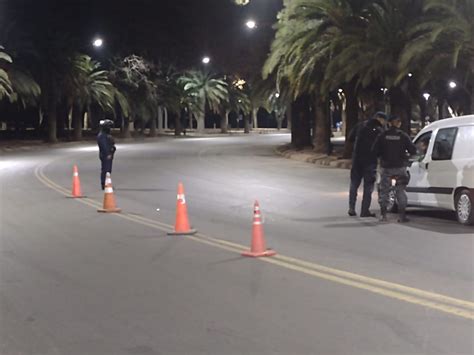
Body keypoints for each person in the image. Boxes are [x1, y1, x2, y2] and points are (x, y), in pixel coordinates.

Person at [372, 115, 417, 222]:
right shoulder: (403, 136)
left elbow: (374, 150)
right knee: (400, 191)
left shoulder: (382, 135)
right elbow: (413, 150)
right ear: (399, 123)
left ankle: (383, 215)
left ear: (389, 123)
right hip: (400, 167)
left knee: (384, 191)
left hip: (386, 167)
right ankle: (402, 216)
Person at [347, 112, 387, 217]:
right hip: (370, 161)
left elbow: (350, 138)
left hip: (357, 160)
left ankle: (351, 208)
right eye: (384, 120)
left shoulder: (360, 125)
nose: (384, 123)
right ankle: (364, 211)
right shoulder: (380, 130)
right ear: (379, 119)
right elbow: (382, 146)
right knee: (368, 186)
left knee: (354, 184)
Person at [97, 119, 116, 190]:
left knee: (108, 170)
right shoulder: (102, 136)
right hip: (105, 155)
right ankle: (104, 184)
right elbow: (104, 146)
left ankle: (106, 183)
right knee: (106, 170)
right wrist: (108, 154)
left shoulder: (106, 135)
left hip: (108, 154)